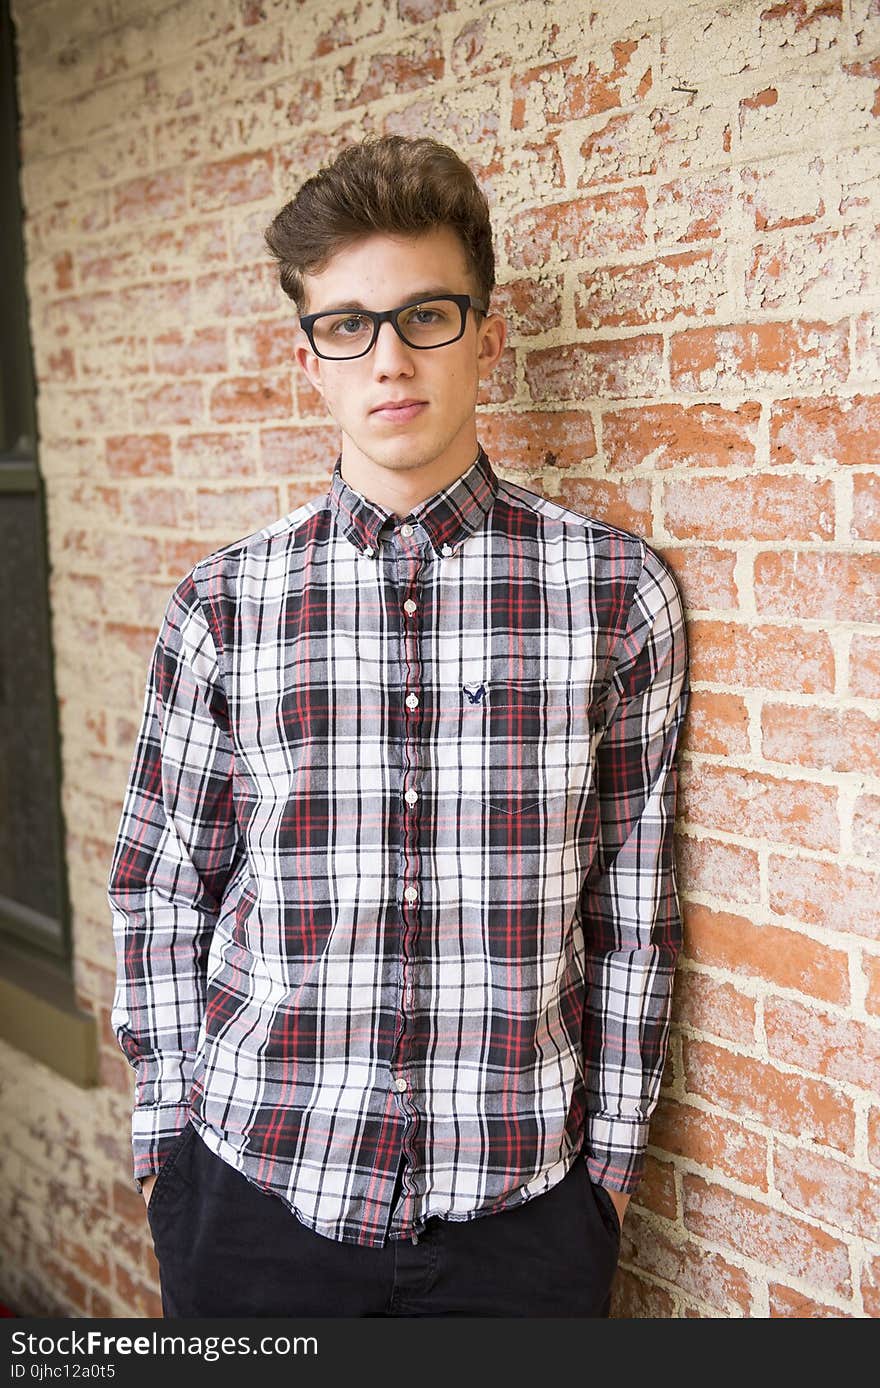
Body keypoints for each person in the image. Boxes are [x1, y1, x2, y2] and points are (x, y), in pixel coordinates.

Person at [108, 133, 690, 1319]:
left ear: (485, 332)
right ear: (309, 360)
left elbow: (633, 906)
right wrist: (169, 1152)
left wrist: (609, 1177)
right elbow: (164, 886)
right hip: (258, 1203)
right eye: (348, 325)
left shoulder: (615, 593)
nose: (389, 357)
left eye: (426, 314)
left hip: (523, 1220)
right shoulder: (223, 605)